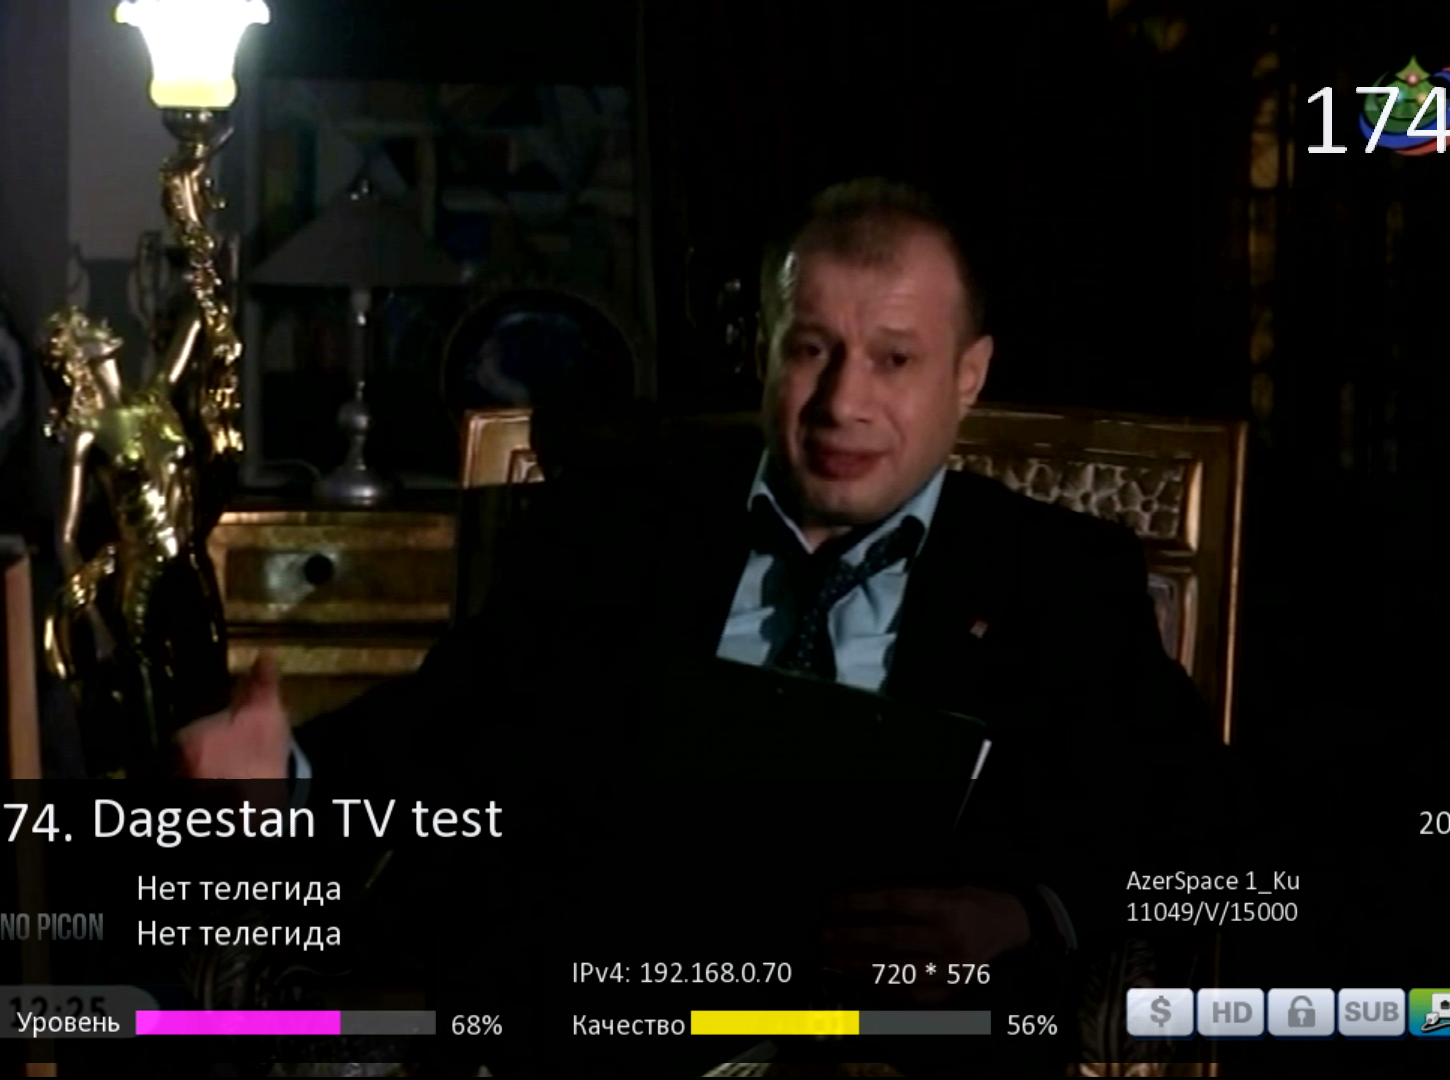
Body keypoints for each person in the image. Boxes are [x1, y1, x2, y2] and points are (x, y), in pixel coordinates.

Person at [179, 177, 1216, 1017]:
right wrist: (287, 776)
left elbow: (1187, 816)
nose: (842, 403)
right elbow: (453, 724)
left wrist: (1028, 916)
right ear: (762, 349)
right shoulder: (611, 530)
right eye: (810, 350)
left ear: (969, 375)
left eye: (895, 360)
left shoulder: (1063, 576)